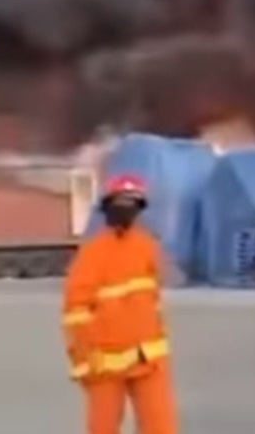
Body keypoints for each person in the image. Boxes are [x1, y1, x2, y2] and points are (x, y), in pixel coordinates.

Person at [61, 173, 178, 434]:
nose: (125, 209)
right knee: (103, 427)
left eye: (131, 203)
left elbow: (152, 298)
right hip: (104, 360)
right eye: (120, 202)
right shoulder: (92, 252)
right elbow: (75, 310)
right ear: (107, 207)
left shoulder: (147, 246)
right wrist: (82, 359)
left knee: (161, 425)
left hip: (149, 356)